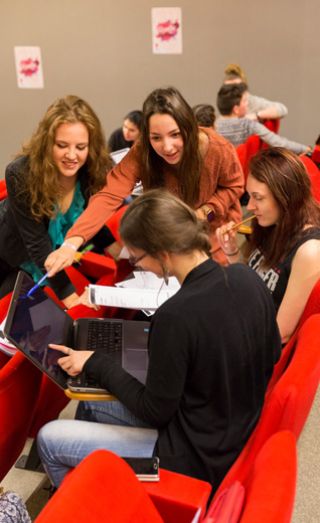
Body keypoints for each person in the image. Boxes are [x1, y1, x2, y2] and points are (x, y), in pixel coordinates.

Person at [37, 189, 281, 492]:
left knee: (49, 438)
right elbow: (272, 354)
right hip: (235, 427)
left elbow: (155, 411)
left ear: (163, 253)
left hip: (193, 454)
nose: (138, 265)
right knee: (89, 404)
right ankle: (108, 488)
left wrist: (95, 360)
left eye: (138, 258)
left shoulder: (176, 315)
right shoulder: (247, 277)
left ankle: (88, 503)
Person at [44, 86, 245, 274]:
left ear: (189, 128)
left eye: (175, 134)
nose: (167, 147)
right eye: (156, 138)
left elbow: (234, 185)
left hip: (214, 239)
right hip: (169, 241)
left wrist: (205, 211)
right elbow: (109, 195)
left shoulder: (217, 149)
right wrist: (71, 243)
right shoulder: (143, 152)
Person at [0, 95, 113, 307]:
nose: (72, 155)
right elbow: (37, 244)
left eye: (81, 147)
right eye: (62, 145)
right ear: (47, 142)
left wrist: (122, 252)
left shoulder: (91, 170)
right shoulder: (21, 173)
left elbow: (90, 217)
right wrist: (73, 302)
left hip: (44, 264)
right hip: (10, 256)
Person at [216, 147, 320, 343]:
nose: (251, 206)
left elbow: (281, 333)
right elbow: (252, 284)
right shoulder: (273, 225)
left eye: (259, 198)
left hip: (261, 351)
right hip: (246, 324)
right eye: (250, 196)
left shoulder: (310, 250)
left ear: (286, 198)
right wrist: (232, 252)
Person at [215, 83, 309, 155]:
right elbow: (278, 143)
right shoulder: (247, 125)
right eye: (244, 101)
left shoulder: (213, 126)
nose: (247, 103)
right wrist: (306, 149)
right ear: (236, 109)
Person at [223, 63, 288, 121]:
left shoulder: (252, 102)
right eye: (228, 88)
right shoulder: (224, 103)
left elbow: (282, 109)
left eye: (236, 88)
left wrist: (256, 115)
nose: (232, 92)